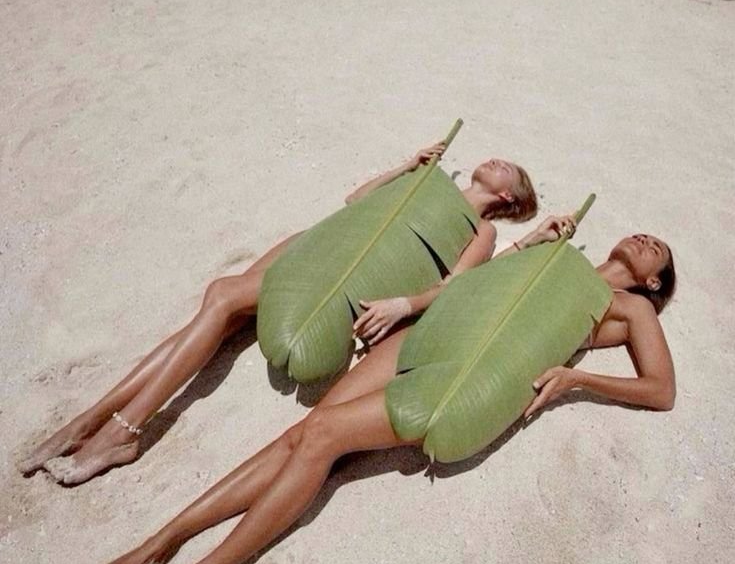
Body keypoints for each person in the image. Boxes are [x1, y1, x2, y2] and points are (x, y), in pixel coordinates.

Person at [80, 226, 676, 564]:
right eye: (647, 233)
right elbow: (470, 288)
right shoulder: (555, 254)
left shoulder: (630, 308)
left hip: (463, 373)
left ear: (654, 283)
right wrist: (527, 247)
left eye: (660, 252)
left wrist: (577, 378)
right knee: (304, 433)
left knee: (323, 437)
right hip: (428, 333)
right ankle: (160, 542)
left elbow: (660, 389)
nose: (648, 241)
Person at [19, 143, 537, 485]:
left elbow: (453, 287)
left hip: (354, 282)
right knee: (219, 311)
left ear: (507, 194)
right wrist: (408, 166)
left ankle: (118, 430)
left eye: (506, 166)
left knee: (223, 298)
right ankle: (94, 424)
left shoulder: (484, 232)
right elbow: (356, 200)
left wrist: (403, 304)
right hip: (321, 246)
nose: (495, 158)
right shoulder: (427, 178)